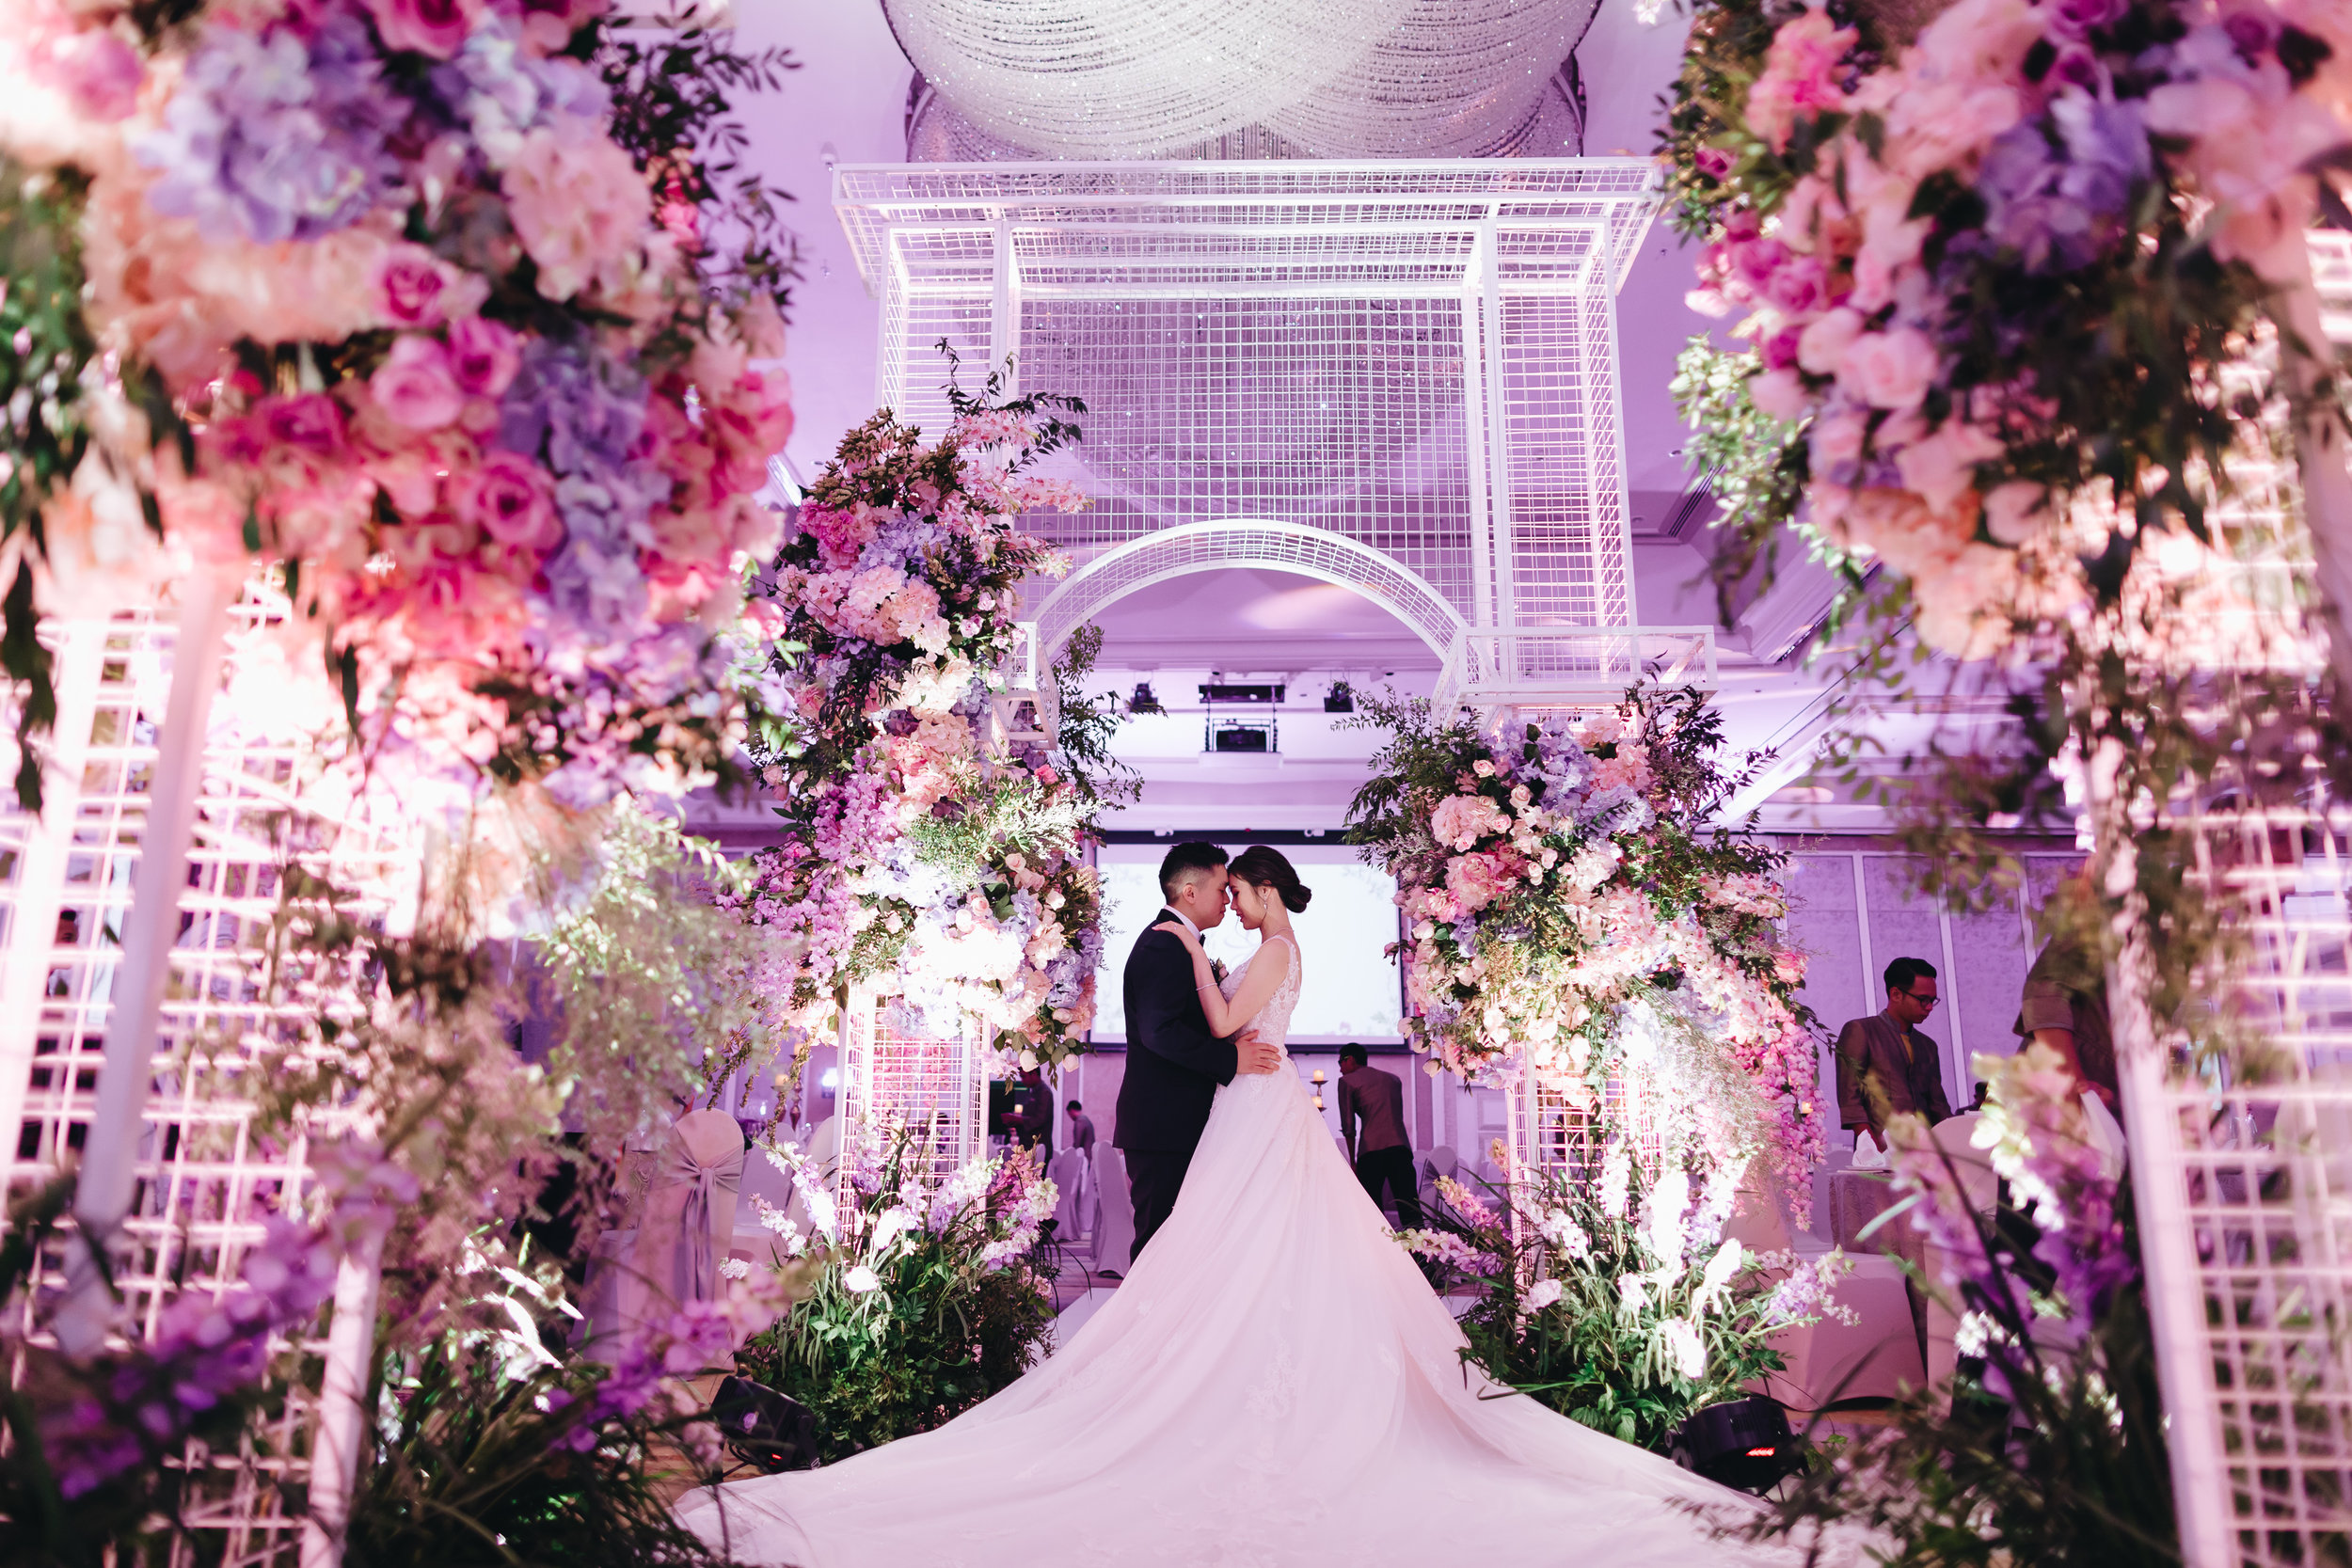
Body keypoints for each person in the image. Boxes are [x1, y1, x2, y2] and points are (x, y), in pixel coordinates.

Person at [677, 846, 1834, 1567]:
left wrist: (1195, 958)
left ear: (1260, 886)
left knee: (1253, 1242)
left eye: (1233, 889)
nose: (1225, 903)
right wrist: (1188, 952)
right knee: (1226, 1244)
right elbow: (1226, 1027)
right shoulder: (1243, 942)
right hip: (1248, 1105)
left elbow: (1230, 1025)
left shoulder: (1271, 946)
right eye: (1215, 894)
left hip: (1258, 1105)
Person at [1116, 841, 1283, 1262]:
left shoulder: (1181, 943)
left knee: (1185, 1249)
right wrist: (1231, 1059)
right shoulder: (1162, 944)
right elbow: (1159, 1032)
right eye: (1222, 889)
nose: (1228, 899)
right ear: (1190, 892)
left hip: (1179, 1122)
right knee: (1159, 1246)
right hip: (1163, 1126)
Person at [1835, 957, 1954, 1154]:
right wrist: (1873, 1150)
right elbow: (1851, 1100)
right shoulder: (1861, 1031)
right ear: (1896, 994)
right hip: (1880, 1152)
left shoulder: (1927, 1046)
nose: (1929, 1007)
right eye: (1923, 999)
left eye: (1932, 1000)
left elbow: (1938, 1106)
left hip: (1925, 1154)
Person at [1336, 1044, 1421, 1230]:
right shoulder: (1393, 1080)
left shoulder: (1347, 1082)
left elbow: (1348, 1126)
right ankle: (1422, 1248)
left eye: (1341, 1062)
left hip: (1371, 1150)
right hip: (1400, 1147)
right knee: (1410, 1206)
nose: (1340, 1069)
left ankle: (1380, 1248)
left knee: (1371, 1209)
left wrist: (1353, 1161)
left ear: (1350, 1060)